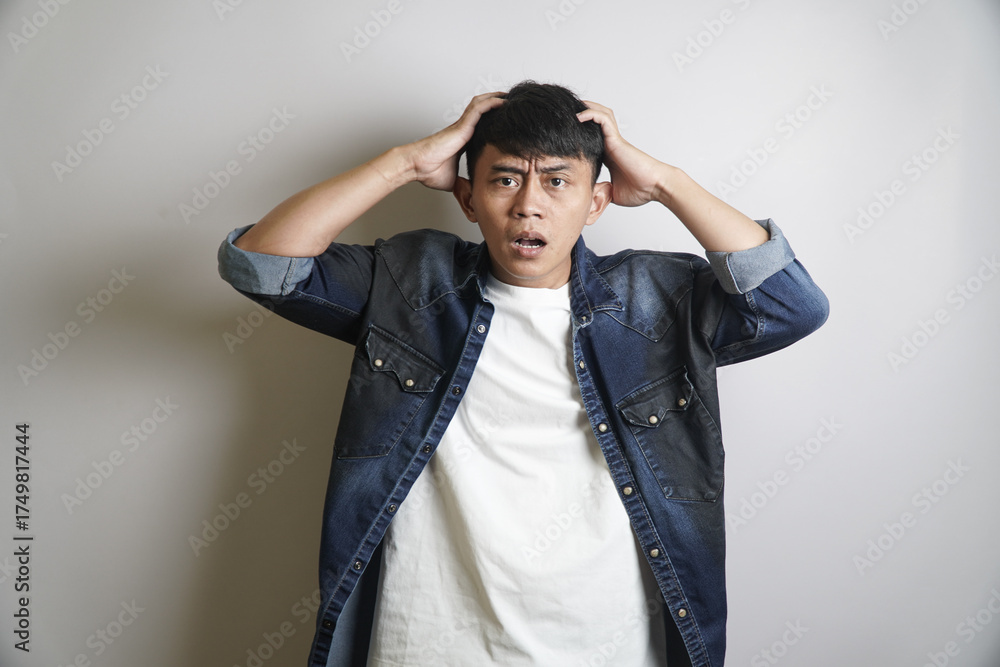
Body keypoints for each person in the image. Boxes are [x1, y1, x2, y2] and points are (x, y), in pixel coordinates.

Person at [218, 81, 829, 667]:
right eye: (505, 179)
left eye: (557, 182)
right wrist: (405, 164)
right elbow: (259, 264)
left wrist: (667, 183)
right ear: (467, 198)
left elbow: (792, 305)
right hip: (425, 641)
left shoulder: (657, 299)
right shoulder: (410, 282)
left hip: (608, 642)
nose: (528, 204)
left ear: (596, 202)